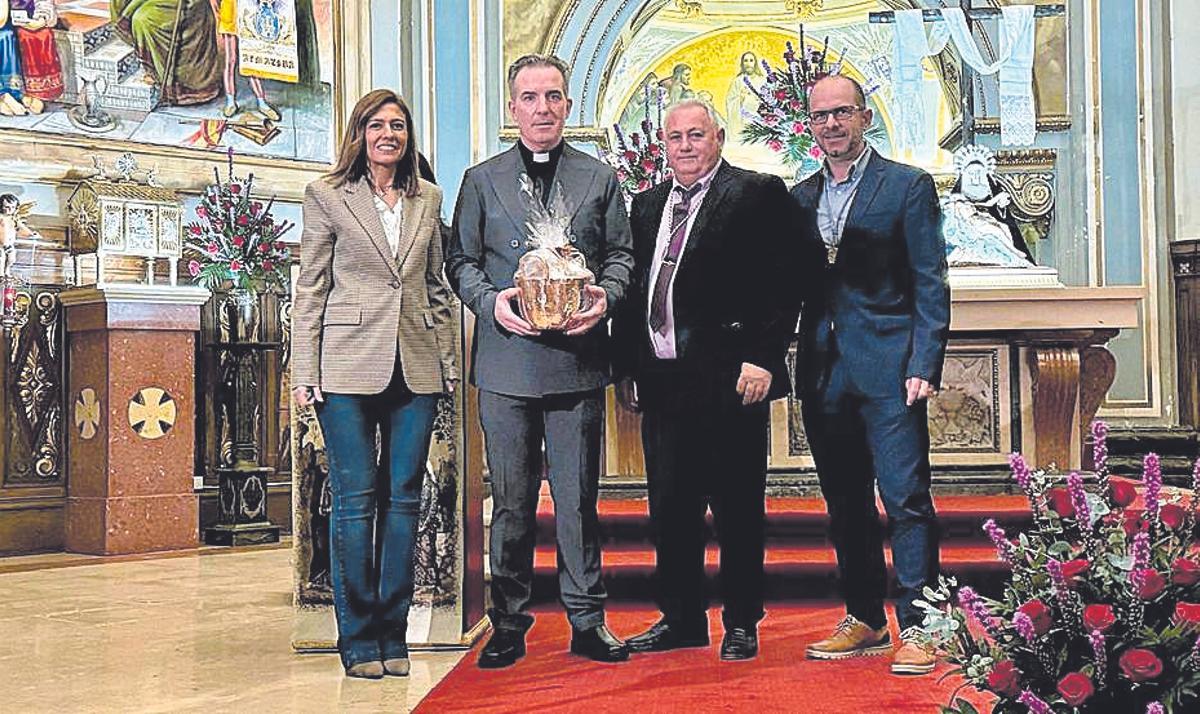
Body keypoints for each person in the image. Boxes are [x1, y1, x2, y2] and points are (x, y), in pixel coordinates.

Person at [445, 53, 634, 669]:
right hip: (506, 364)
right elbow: (460, 262)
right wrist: (490, 302)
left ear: (569, 106)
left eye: (553, 96)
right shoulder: (481, 179)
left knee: (579, 500)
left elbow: (622, 257)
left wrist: (606, 298)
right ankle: (509, 622)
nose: (542, 108)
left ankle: (587, 619)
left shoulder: (599, 178)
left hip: (578, 360)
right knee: (514, 501)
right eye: (529, 97)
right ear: (512, 108)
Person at [613, 99, 818, 661]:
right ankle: (681, 618)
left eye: (695, 134)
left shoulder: (756, 193)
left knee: (736, 508)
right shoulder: (648, 203)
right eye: (675, 136)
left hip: (731, 378)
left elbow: (786, 281)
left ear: (719, 138)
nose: (684, 145)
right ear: (663, 143)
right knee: (670, 508)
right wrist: (628, 366)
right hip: (663, 379)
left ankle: (741, 622)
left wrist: (764, 356)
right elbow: (634, 292)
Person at [291, 89, 458, 679]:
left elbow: (436, 289)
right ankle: (357, 637)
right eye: (378, 125)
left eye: (399, 125)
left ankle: (394, 632)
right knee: (356, 502)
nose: (389, 134)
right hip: (345, 365)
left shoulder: (428, 197)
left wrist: (448, 370)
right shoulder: (327, 196)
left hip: (415, 366)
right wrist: (303, 371)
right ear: (359, 134)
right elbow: (310, 288)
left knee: (405, 501)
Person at [789, 74, 949, 675]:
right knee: (844, 503)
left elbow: (930, 280)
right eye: (821, 115)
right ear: (810, 124)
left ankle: (923, 626)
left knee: (905, 499)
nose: (832, 124)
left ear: (864, 117)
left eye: (843, 113)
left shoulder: (906, 186)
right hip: (823, 373)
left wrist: (923, 363)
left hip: (890, 372)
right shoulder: (799, 197)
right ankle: (865, 617)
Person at [211, 0, 280, 119]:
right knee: (230, 61)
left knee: (250, 61)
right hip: (229, 15)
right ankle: (230, 102)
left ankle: (261, 102)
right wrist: (218, 13)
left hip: (248, 16)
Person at [725, 51, 763, 137]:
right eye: (745, 61)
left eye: (751, 60)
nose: (748, 63)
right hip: (743, 120)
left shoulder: (762, 80)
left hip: (760, 119)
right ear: (742, 63)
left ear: (755, 63)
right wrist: (741, 98)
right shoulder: (737, 81)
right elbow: (730, 101)